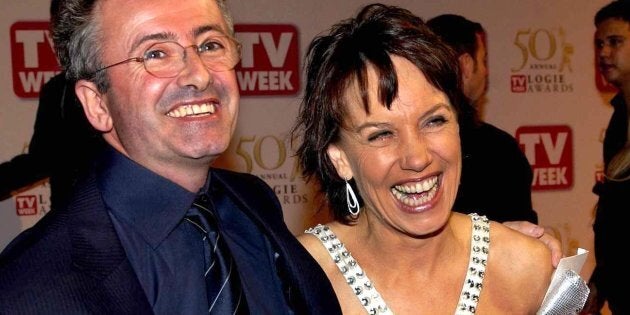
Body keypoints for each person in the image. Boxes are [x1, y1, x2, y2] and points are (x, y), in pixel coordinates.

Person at [0, 0, 341, 314]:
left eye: (210, 45)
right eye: (155, 54)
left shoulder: (256, 204)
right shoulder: (31, 283)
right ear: (98, 104)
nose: (200, 74)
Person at [292, 3, 584, 314]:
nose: (417, 158)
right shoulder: (298, 279)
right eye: (381, 135)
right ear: (340, 159)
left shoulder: (523, 267)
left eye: (434, 121)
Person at [426, 14, 538, 224]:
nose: (486, 71)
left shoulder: (405, 147)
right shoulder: (499, 150)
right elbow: (521, 238)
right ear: (467, 65)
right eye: (483, 60)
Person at [583, 1, 630, 314]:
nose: (603, 53)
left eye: (615, 42)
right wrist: (599, 284)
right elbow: (617, 218)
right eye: (600, 43)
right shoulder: (617, 121)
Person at [0, 72, 104, 209]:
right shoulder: (57, 88)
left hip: (115, 207)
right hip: (69, 210)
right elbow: (42, 158)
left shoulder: (114, 80)